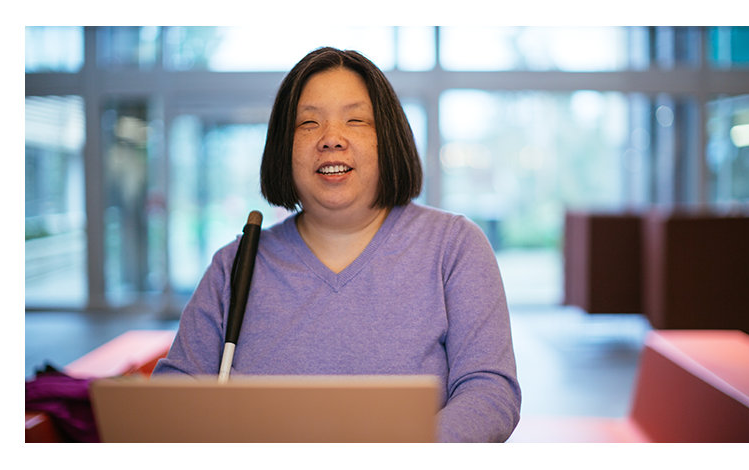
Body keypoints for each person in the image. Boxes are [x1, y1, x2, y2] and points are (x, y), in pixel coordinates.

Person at [153, 47, 521, 443]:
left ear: (388, 138)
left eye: (355, 120)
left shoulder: (453, 247)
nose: (331, 139)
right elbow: (172, 401)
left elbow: (489, 391)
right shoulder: (235, 265)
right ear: (283, 146)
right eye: (308, 123)